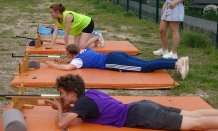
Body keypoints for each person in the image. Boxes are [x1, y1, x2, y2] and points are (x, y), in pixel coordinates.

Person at [45, 74, 218, 131]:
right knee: (194, 115)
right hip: (142, 106)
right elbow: (83, 113)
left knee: (196, 123)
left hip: (142, 114)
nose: (60, 96)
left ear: (72, 92)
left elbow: (62, 124)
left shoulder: (82, 104)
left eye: (61, 93)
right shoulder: (90, 94)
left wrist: (60, 107)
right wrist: (68, 105)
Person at [46, 44, 189, 80]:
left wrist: (53, 65)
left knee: (145, 68)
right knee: (146, 62)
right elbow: (72, 59)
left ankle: (176, 64)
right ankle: (177, 60)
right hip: (115, 54)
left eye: (67, 55)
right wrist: (62, 60)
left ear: (72, 54)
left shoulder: (78, 61)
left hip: (112, 62)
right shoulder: (84, 50)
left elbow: (68, 68)